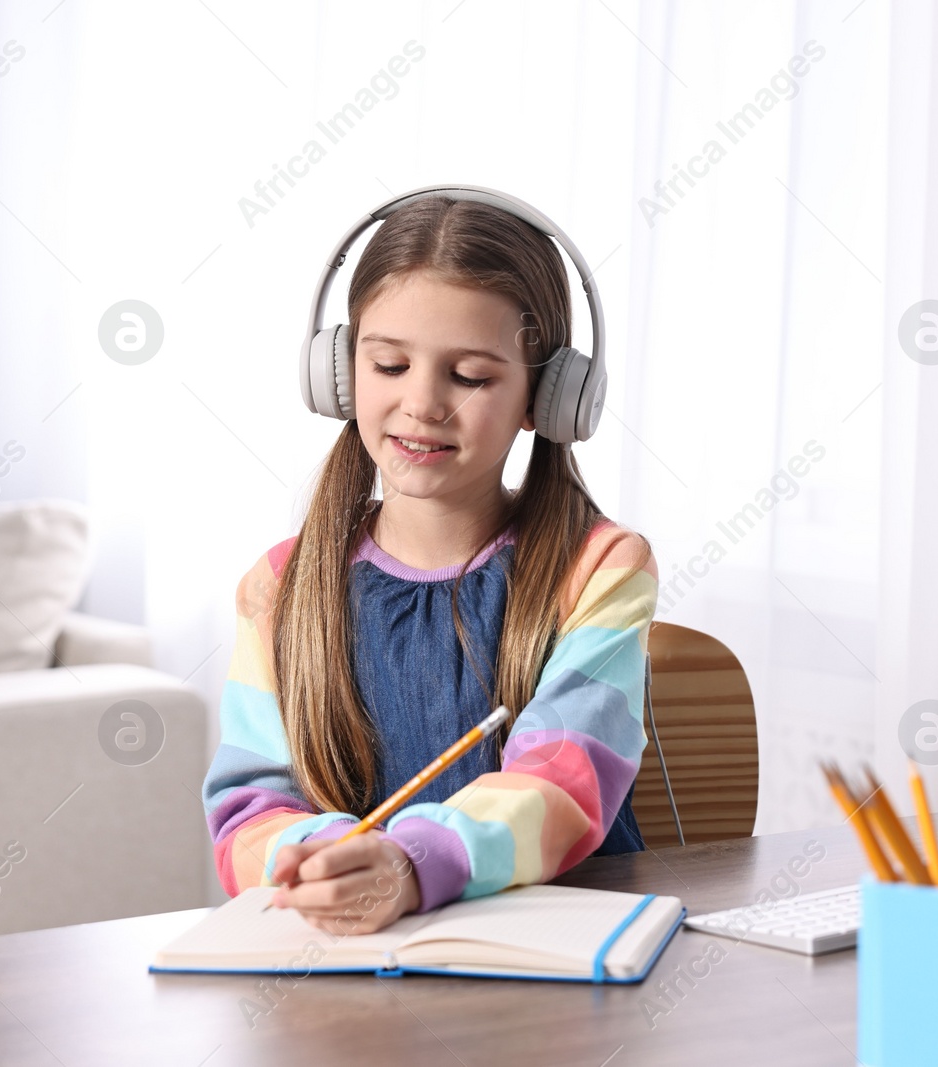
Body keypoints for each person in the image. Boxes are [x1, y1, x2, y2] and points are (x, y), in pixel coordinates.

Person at [200, 193, 657, 934]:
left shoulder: (601, 567)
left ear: (547, 397)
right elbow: (248, 807)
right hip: (355, 966)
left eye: (470, 376)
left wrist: (412, 865)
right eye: (388, 363)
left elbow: (564, 781)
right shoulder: (281, 588)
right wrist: (318, 857)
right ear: (341, 375)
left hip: (552, 960)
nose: (421, 403)